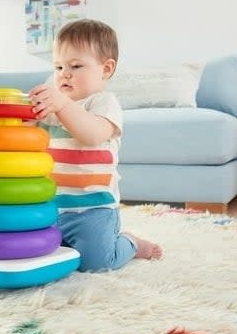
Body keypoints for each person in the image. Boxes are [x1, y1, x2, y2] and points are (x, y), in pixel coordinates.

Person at [29, 19, 162, 272]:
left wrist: (62, 105)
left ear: (106, 69)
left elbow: (92, 134)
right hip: (49, 206)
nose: (64, 74)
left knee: (96, 263)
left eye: (76, 65)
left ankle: (131, 243)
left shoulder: (104, 103)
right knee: (36, 254)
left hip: (92, 210)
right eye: (58, 66)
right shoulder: (52, 108)